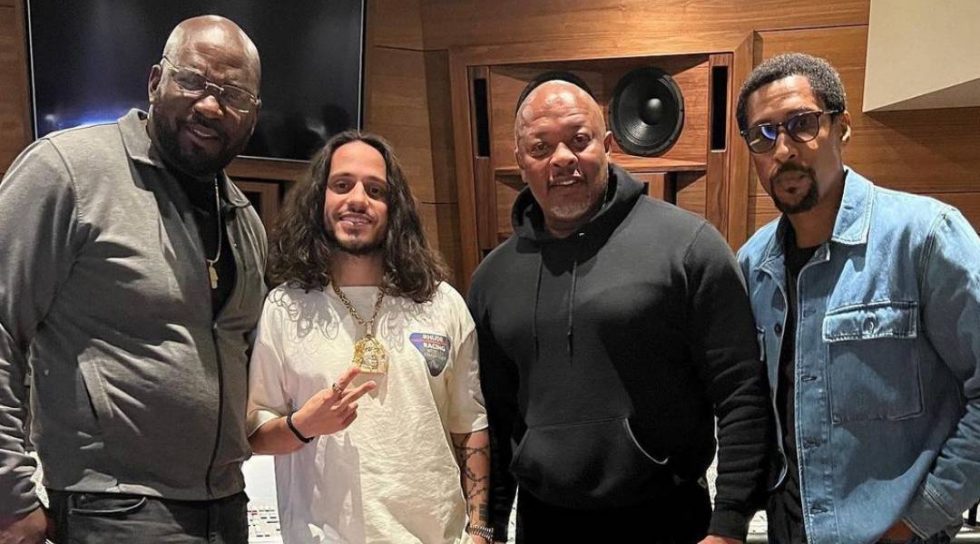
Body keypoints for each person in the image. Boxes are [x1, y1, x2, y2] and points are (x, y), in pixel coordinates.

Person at [467, 75, 771, 543]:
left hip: (668, 519)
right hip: (543, 523)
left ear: (608, 146)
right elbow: (496, 418)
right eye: (541, 147)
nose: (562, 158)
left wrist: (730, 523)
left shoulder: (688, 246)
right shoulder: (492, 278)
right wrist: (488, 529)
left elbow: (741, 393)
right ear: (521, 161)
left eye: (579, 140)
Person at [0, 15, 267, 543]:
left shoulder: (245, 221)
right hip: (113, 508)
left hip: (226, 509)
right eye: (192, 80)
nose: (210, 105)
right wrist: (8, 497)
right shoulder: (66, 172)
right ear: (155, 81)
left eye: (233, 94)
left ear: (253, 116)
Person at [735, 52, 980, 544]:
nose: (783, 149)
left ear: (842, 128)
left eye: (801, 124)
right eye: (763, 134)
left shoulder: (926, 238)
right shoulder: (752, 264)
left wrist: (919, 521)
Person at [247, 131, 492, 543]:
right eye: (342, 185)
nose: (358, 199)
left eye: (375, 190)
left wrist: (481, 531)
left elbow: (470, 426)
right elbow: (255, 434)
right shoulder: (284, 307)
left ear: (395, 208)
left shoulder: (442, 303)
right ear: (319, 199)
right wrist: (303, 425)